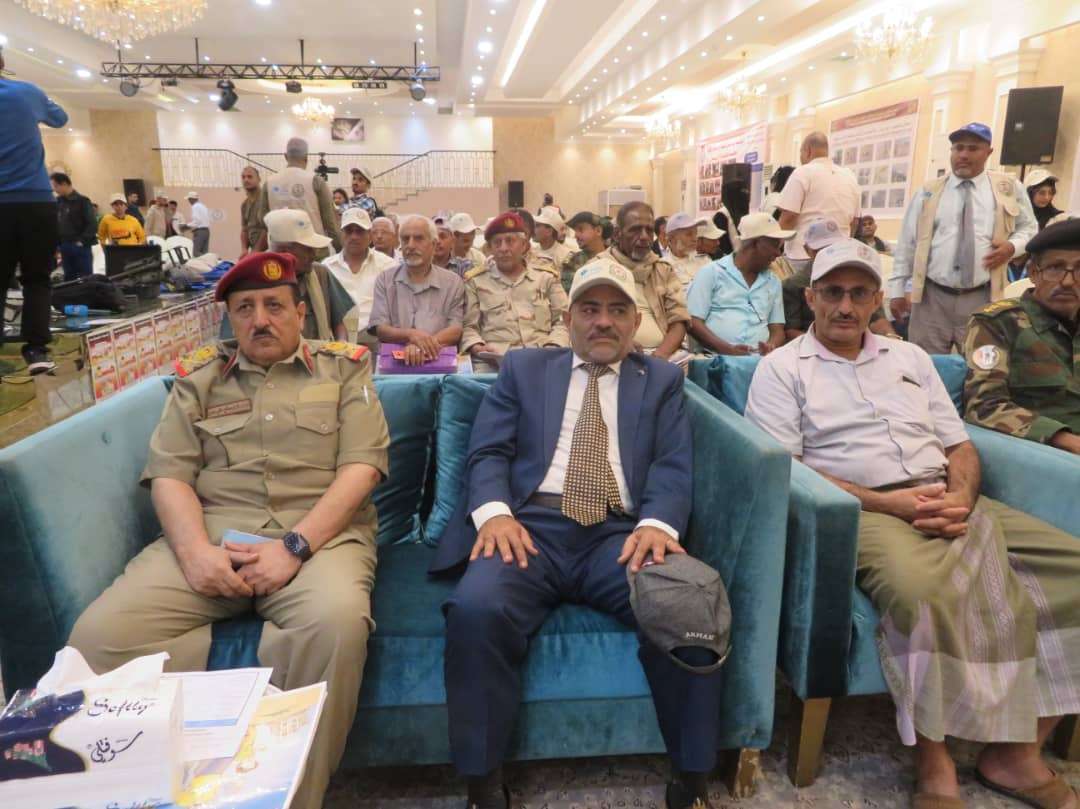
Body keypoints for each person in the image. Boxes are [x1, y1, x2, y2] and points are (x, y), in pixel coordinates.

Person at [745, 238, 1080, 809]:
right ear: (811, 298)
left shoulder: (911, 359)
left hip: (950, 497)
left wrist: (962, 496)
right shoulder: (781, 370)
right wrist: (894, 505)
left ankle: (1016, 753)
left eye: (859, 293)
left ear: (878, 298)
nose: (845, 307)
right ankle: (934, 758)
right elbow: (791, 469)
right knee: (923, 594)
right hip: (862, 510)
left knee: (1075, 571)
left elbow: (959, 443)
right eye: (833, 293)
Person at [68, 250, 389, 809]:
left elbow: (361, 469)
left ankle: (291, 798)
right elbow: (170, 475)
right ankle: (149, 791)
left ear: (300, 313)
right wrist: (194, 553)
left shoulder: (345, 369)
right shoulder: (198, 380)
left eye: (274, 306)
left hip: (318, 541)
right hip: (212, 537)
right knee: (99, 635)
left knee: (334, 623)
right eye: (245, 309)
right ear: (229, 318)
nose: (260, 319)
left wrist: (293, 547)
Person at [432, 258, 726, 809]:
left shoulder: (661, 380)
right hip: (529, 527)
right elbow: (488, 451)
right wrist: (494, 514)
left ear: (636, 321)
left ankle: (691, 780)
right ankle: (483, 785)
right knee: (476, 610)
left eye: (617, 310)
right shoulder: (524, 369)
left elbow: (672, 463)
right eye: (589, 309)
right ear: (568, 319)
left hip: (620, 534)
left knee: (690, 604)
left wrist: (657, 523)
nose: (603, 321)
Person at [890, 123, 1037, 354]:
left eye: (973, 148)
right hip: (931, 299)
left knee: (981, 365)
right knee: (926, 365)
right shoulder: (928, 192)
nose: (964, 155)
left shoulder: (1008, 189)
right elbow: (907, 243)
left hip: (983, 297)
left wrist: (1012, 247)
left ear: (988, 152)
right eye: (958, 148)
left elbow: (1029, 228)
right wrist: (897, 289)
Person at [963, 218, 1080, 454]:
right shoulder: (998, 323)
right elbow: (984, 406)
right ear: (1033, 273)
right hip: (1044, 453)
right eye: (1055, 268)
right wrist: (1065, 439)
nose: (1068, 281)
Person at [0, 46, 66, 374]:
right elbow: (61, 117)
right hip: (37, 203)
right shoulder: (27, 92)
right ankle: (36, 350)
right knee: (37, 279)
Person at [221, 209, 352, 343]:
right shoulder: (250, 280)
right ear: (284, 252)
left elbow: (339, 323)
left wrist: (341, 346)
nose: (314, 254)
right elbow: (232, 340)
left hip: (317, 355)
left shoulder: (320, 273)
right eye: (308, 249)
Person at [461, 211, 569, 372]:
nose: (503, 248)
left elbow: (564, 321)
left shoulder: (546, 278)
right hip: (494, 364)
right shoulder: (475, 282)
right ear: (489, 249)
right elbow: (469, 327)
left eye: (510, 241)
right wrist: (478, 347)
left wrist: (553, 346)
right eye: (497, 243)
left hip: (544, 360)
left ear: (524, 245)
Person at [595, 201, 690, 363]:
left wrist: (660, 356)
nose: (644, 237)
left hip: (663, 356)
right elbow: (588, 320)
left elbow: (679, 320)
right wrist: (620, 344)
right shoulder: (598, 269)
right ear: (617, 234)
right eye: (635, 230)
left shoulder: (663, 269)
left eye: (649, 230)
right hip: (612, 353)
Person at [367, 214, 466, 366]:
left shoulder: (453, 282)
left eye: (419, 238)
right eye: (405, 239)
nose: (411, 245)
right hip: (393, 364)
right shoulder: (385, 280)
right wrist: (411, 335)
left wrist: (421, 346)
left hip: (438, 362)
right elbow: (381, 329)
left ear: (433, 244)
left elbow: (455, 329)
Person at [687, 213, 790, 356]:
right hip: (715, 358)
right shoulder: (711, 273)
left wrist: (770, 348)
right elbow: (693, 321)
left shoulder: (773, 282)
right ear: (755, 243)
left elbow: (777, 330)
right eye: (774, 245)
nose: (778, 253)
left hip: (760, 361)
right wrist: (727, 350)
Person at [784, 218, 897, 342]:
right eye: (820, 249)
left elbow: (877, 319)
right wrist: (830, 346)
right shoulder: (793, 285)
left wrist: (891, 337)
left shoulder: (861, 278)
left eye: (833, 247)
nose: (827, 253)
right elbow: (790, 330)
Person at [777, 132, 861, 273]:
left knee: (798, 287)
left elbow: (789, 216)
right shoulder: (850, 176)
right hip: (839, 256)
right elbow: (855, 222)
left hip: (803, 255)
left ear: (808, 150)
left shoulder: (802, 172)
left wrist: (774, 246)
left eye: (801, 152)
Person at [323, 207, 396, 345]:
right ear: (341, 234)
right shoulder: (327, 267)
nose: (354, 236)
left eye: (360, 231)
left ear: (370, 235)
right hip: (337, 339)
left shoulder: (388, 266)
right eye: (349, 231)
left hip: (377, 338)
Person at [258, 137, 342, 252]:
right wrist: (340, 249)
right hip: (312, 251)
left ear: (285, 156)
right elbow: (330, 222)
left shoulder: (269, 183)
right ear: (306, 157)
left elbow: (262, 219)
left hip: (280, 251)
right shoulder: (316, 181)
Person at [49, 172, 96, 281]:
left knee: (86, 278)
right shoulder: (58, 202)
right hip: (64, 245)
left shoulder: (82, 201)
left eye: (56, 186)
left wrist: (82, 241)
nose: (54, 190)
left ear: (65, 184)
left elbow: (92, 224)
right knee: (69, 278)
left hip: (80, 246)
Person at [664, 212, 710, 289]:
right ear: (671, 239)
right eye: (689, 234)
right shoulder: (663, 267)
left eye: (696, 233)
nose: (695, 239)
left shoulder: (705, 261)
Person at [563, 211, 607, 291]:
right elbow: (568, 290)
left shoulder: (614, 258)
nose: (576, 235)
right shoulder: (573, 261)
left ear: (598, 231)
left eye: (580, 229)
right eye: (575, 231)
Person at [446, 212, 486, 277]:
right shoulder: (444, 258)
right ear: (454, 236)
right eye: (465, 241)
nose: (469, 244)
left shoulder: (479, 257)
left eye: (471, 240)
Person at [240, 166, 266, 257]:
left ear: (259, 179)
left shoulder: (266, 200)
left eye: (250, 177)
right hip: (254, 251)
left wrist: (256, 250)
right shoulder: (244, 205)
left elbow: (267, 229)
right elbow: (244, 230)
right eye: (243, 177)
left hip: (269, 251)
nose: (246, 180)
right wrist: (244, 249)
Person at [183, 191, 211, 256]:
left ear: (192, 199)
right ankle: (208, 261)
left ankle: (212, 258)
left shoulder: (195, 206)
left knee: (196, 253)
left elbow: (197, 221)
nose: (189, 201)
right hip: (206, 231)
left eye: (189, 199)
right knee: (204, 253)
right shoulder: (203, 206)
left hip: (200, 231)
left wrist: (186, 226)